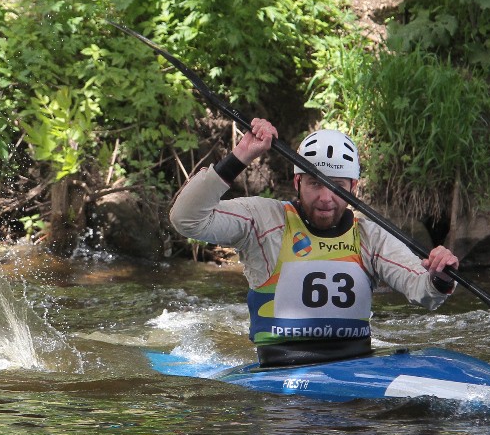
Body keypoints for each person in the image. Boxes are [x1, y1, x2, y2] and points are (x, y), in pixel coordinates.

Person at [170, 117, 460, 368]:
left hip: (354, 366)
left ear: (353, 188)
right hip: (281, 371)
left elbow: (424, 291)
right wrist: (241, 155)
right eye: (315, 183)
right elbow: (186, 219)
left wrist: (441, 276)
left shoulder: (370, 236)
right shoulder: (263, 220)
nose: (325, 198)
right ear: (297, 183)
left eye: (337, 187)